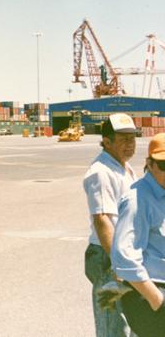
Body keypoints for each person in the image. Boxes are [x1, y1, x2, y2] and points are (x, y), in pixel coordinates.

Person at [84, 113, 139, 336]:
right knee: (112, 326)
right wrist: (118, 264)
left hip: (123, 254)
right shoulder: (101, 172)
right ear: (107, 141)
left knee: (128, 322)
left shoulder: (124, 167)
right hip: (108, 257)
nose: (130, 144)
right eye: (123, 139)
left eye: (133, 138)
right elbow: (102, 219)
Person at [112, 132, 165, 336]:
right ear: (149, 165)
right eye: (163, 165)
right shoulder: (137, 200)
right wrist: (157, 301)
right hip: (152, 292)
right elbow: (124, 258)